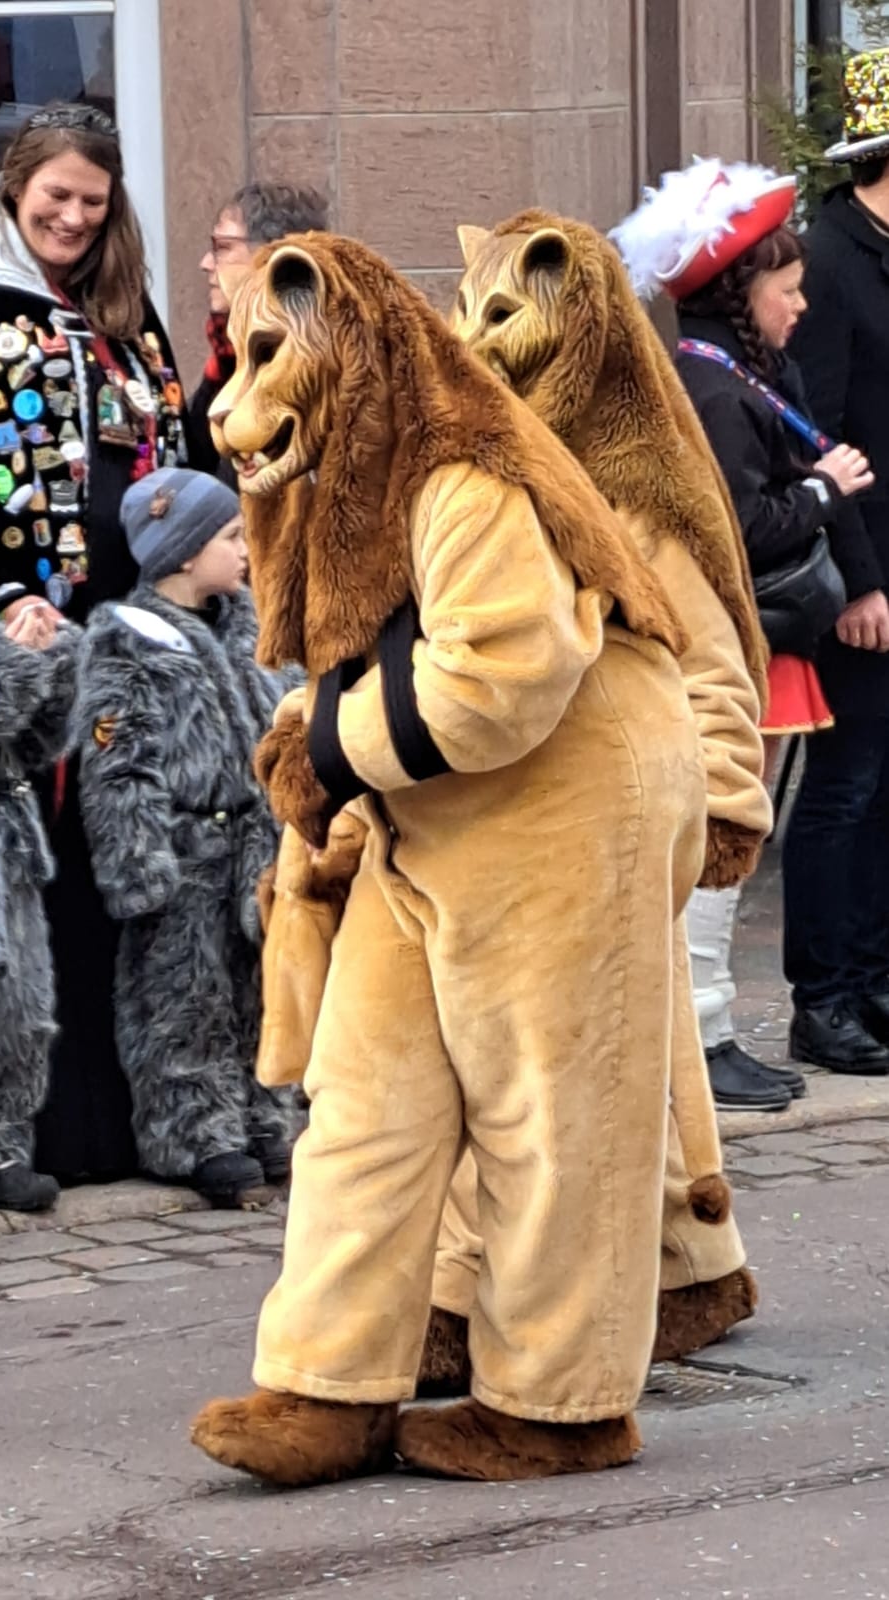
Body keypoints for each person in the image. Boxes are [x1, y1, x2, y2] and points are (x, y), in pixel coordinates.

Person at [189, 233, 706, 1486]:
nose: (230, 404)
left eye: (267, 361)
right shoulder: (352, 475)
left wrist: (334, 747)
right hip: (440, 812)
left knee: (551, 1114)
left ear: (345, 359)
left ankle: (557, 1404)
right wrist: (327, 751)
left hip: (569, 805)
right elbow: (376, 656)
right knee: (362, 1107)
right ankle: (327, 1383)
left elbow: (506, 670)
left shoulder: (465, 472)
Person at [411, 205, 772, 1401]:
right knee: (614, 1066)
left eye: (504, 316)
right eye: (467, 313)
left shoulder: (634, 486)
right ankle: (688, 1265)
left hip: (609, 811)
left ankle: (467, 1303)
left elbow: (712, 654)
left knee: (539, 1075)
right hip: (508, 807)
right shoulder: (482, 469)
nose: (477, 341)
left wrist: (726, 802)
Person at [616, 159, 874, 1107]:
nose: (800, 304)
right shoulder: (715, 388)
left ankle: (710, 1022)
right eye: (786, 288)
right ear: (740, 290)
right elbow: (735, 527)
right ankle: (703, 1026)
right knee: (725, 825)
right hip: (731, 639)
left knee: (740, 821)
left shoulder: (740, 373)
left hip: (757, 634)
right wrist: (823, 492)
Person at [0, 102, 198, 1182]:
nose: (71, 218)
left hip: (130, 640)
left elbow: (182, 456)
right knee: (30, 890)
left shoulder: (127, 312)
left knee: (124, 870)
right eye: (55, 196)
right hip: (23, 648)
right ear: (13, 189)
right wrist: (0, 598)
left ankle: (122, 1124)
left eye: (91, 201)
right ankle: (29, 1131)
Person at [72, 469, 300, 1207]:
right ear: (183, 551)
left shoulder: (250, 629)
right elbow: (118, 760)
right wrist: (138, 864)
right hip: (185, 856)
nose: (245, 551)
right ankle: (199, 1135)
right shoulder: (127, 640)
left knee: (261, 993)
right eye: (231, 537)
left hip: (258, 850)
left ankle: (266, 1117)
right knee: (185, 1002)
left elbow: (291, 717)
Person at [784, 47, 889, 1074]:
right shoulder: (831, 259)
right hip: (865, 571)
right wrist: (859, 581)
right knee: (845, 786)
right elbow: (816, 433)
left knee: (886, 785)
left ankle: (875, 974)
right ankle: (823, 999)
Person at [0, 588, 78, 1211]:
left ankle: (4, 1152)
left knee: (20, 1013)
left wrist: (55, 662)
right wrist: (16, 663)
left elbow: (39, 747)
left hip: (10, 847)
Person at [190, 183, 329, 485]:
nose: (206, 263)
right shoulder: (227, 359)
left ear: (272, 256)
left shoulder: (304, 365)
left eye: (223, 248)